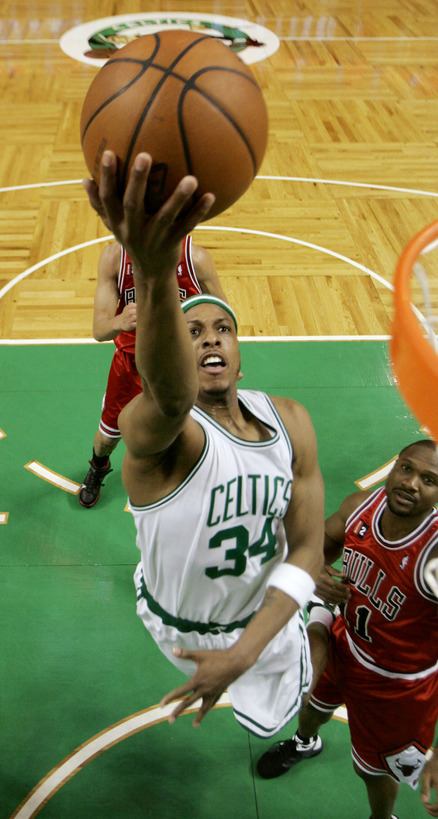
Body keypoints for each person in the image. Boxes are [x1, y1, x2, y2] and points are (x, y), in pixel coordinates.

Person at [82, 150, 325, 736]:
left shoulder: (291, 420)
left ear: (241, 357)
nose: (211, 338)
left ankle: (316, 620)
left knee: (296, 688)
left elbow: (306, 548)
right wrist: (153, 271)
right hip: (177, 623)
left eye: (223, 329)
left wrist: (244, 653)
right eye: (193, 332)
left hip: (258, 619)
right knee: (111, 430)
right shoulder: (166, 432)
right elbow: (171, 396)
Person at [257, 439, 438, 819]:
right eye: (406, 468)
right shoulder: (359, 507)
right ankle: (305, 742)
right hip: (346, 642)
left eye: (428, 479)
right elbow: (320, 545)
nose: (411, 483)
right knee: (311, 705)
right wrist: (316, 571)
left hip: (398, 687)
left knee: (372, 770)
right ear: (393, 468)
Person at [79, 233, 226, 507]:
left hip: (182, 364)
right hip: (131, 365)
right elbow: (99, 330)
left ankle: (195, 476)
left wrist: (220, 358)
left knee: (193, 430)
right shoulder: (114, 258)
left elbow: (224, 317)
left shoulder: (195, 259)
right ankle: (98, 466)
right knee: (107, 438)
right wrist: (119, 321)